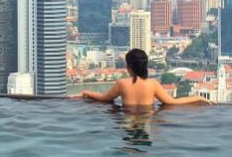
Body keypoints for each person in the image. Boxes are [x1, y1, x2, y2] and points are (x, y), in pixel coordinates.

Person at [76, 48, 212, 106]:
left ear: (128, 67)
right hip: (147, 119)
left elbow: (104, 98)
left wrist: (85, 92)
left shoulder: (122, 83)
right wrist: (198, 98)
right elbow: (172, 102)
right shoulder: (152, 84)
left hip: (127, 119)